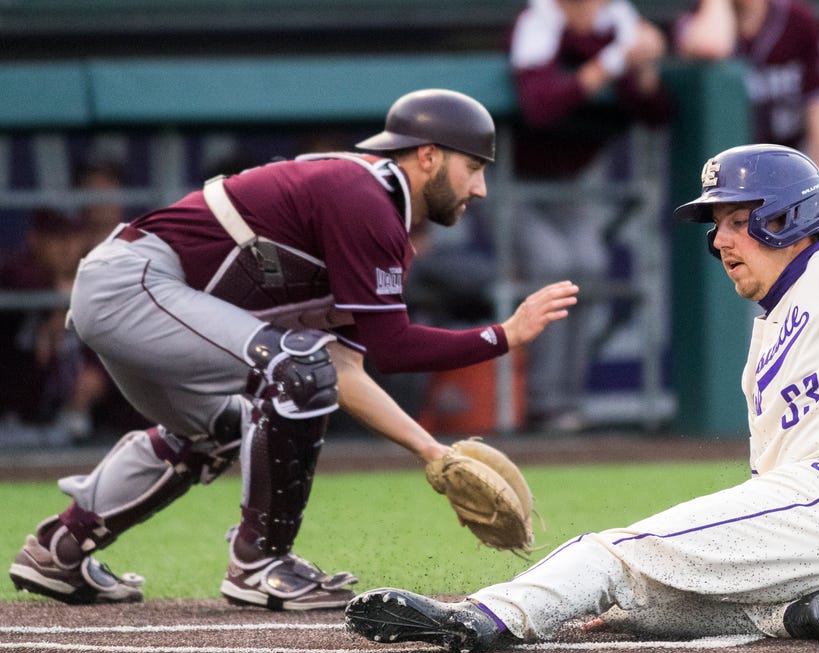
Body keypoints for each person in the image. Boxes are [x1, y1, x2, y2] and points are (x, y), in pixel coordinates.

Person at [343, 143, 819, 651]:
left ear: (788, 218)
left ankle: (489, 613)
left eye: (737, 222)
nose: (719, 240)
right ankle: (804, 612)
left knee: (611, 552)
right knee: (636, 600)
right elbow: (761, 505)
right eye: (715, 224)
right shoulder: (760, 349)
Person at [8, 89, 580, 610]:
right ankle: (261, 563)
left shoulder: (377, 212)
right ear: (428, 156)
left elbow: (348, 366)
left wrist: (431, 452)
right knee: (294, 366)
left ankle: (59, 550)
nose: (479, 188)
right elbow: (395, 348)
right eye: (473, 166)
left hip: (140, 293)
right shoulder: (364, 197)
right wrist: (503, 335)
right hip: (133, 282)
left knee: (223, 426)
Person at [507, 0, 672, 432]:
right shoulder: (539, 21)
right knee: (550, 266)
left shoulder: (617, 19)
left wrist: (645, 69)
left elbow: (654, 111)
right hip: (509, 179)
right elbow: (539, 106)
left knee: (589, 268)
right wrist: (615, 60)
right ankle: (543, 405)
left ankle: (569, 402)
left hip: (573, 181)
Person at [674, 0, 819, 240]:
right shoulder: (698, 19)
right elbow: (711, 46)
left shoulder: (798, 20)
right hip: (724, 176)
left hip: (790, 165)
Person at [0, 208, 104, 445]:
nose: (67, 248)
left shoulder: (94, 277)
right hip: (12, 427)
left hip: (72, 421)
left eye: (74, 237)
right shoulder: (16, 273)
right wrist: (55, 298)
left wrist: (98, 374)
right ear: (35, 239)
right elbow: (17, 278)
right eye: (58, 238)